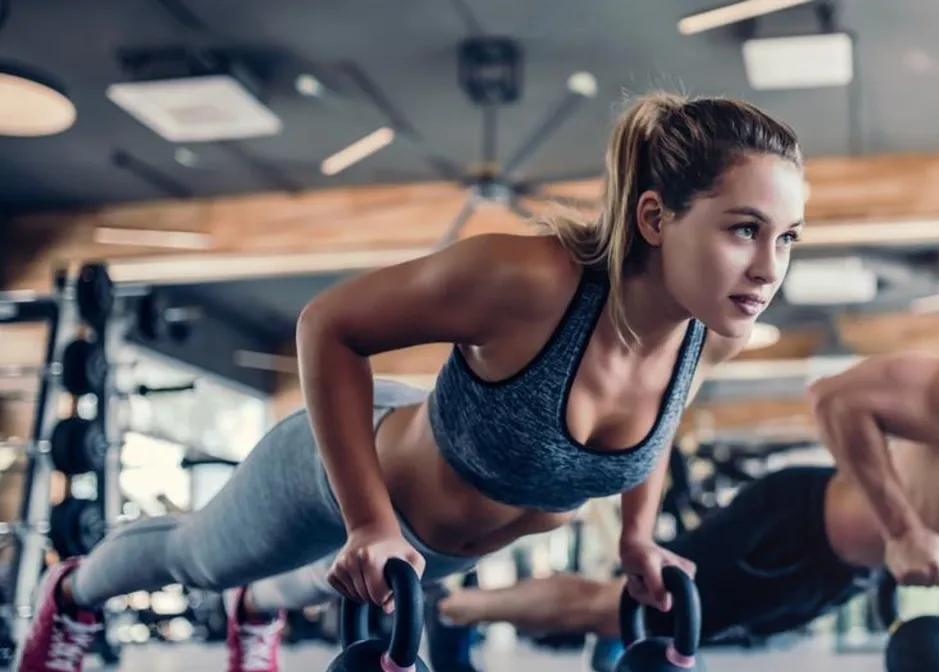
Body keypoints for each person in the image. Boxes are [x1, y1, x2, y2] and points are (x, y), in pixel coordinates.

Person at [16, 91, 808, 672]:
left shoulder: (707, 336)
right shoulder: (527, 281)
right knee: (202, 558)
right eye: (744, 229)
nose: (770, 268)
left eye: (789, 239)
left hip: (432, 548)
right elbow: (329, 325)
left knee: (314, 583)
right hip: (343, 475)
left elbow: (655, 429)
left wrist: (639, 536)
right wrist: (367, 521)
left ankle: (254, 614)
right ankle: (75, 590)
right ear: (654, 219)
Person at [422, 260, 939, 672]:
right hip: (793, 529)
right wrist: (905, 529)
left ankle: (494, 616)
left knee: (643, 621)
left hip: (830, 572)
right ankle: (457, 613)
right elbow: (836, 396)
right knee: (612, 609)